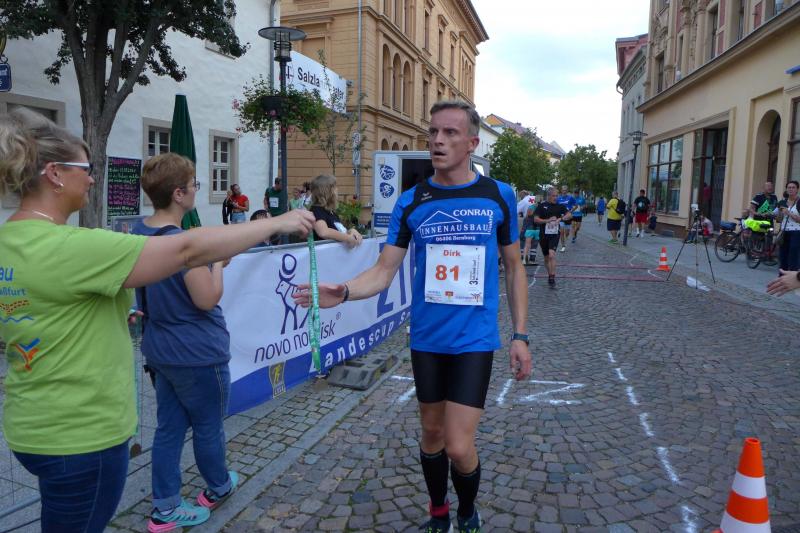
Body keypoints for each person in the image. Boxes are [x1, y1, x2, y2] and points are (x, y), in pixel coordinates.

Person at [0, 109, 315, 533]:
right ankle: (209, 489)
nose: (92, 179)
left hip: (31, 425)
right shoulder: (72, 246)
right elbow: (187, 251)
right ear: (55, 173)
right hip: (81, 433)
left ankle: (167, 503)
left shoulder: (10, 239)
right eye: (86, 169)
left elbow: (41, 309)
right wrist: (277, 222)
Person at [293, 101, 531, 533]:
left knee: (459, 446)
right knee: (432, 435)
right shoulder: (412, 201)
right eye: (433, 132)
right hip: (426, 340)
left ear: (472, 143)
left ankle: (467, 511)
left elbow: (514, 267)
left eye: (450, 133)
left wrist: (520, 335)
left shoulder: (499, 195)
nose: (437, 140)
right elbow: (383, 271)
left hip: (474, 340)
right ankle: (439, 512)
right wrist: (343, 291)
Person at [133, 153, 241, 531]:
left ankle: (164, 506)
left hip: (160, 348)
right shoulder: (183, 244)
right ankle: (217, 486)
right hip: (198, 352)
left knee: (169, 429)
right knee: (208, 425)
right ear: (178, 194)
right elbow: (207, 298)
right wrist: (218, 262)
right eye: (194, 184)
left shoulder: (139, 233)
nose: (197, 189)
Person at [309, 174, 364, 248]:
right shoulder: (316, 210)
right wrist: (348, 238)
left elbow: (340, 232)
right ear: (328, 192)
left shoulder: (331, 212)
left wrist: (351, 231)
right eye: (335, 187)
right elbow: (323, 232)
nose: (337, 190)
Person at [534, 187, 571, 286]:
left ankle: (552, 277)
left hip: (554, 234)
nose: (556, 198)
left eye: (556, 196)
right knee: (546, 258)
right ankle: (549, 274)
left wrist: (560, 219)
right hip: (543, 235)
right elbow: (536, 219)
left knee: (552, 255)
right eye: (554, 196)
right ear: (548, 196)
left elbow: (569, 215)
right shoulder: (542, 206)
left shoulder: (560, 206)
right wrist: (548, 220)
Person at [776, 180, 800, 271]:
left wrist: (788, 213)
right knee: (783, 257)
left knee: (794, 256)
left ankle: (793, 277)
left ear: (797, 189)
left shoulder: (799, 202)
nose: (791, 189)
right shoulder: (782, 202)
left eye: (793, 187)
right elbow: (779, 220)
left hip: (796, 232)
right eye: (789, 187)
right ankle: (782, 276)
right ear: (786, 189)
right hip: (784, 232)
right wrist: (779, 213)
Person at [556, 185, 576, 252]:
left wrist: (571, 212)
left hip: (568, 217)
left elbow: (576, 206)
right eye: (563, 190)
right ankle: (563, 246)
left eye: (565, 190)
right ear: (561, 190)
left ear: (567, 191)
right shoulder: (558, 198)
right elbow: (556, 206)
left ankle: (565, 238)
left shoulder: (571, 198)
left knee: (567, 233)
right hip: (561, 217)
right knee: (561, 232)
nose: (564, 191)